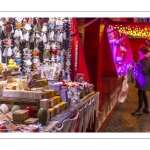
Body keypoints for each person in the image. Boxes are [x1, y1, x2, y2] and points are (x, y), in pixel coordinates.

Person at [132, 45, 150, 115]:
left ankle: (140, 109)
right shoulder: (146, 59)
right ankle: (146, 108)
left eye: (140, 53)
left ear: (143, 53)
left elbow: (144, 71)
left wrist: (136, 67)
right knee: (143, 93)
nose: (139, 54)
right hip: (145, 80)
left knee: (140, 94)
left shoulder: (147, 60)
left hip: (144, 80)